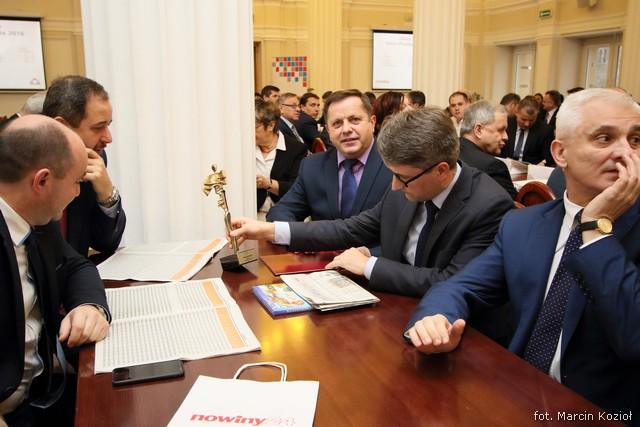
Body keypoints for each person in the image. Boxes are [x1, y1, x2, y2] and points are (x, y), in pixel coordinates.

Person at [406, 88, 640, 420]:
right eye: (604, 138)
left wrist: (595, 228)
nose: (626, 153)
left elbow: (634, 339)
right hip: (518, 396)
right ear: (560, 153)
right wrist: (436, 320)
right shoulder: (523, 224)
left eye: (636, 140)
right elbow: (459, 287)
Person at [232, 107, 513, 301]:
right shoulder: (410, 180)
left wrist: (369, 265)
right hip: (395, 301)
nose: (394, 187)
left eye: (402, 178)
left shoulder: (489, 207)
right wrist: (269, 230)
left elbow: (451, 281)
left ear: (441, 171)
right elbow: (350, 228)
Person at [0, 115, 110, 426]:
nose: (77, 193)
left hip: (42, 394)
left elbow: (75, 265)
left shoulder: (36, 217)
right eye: (76, 182)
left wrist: (89, 306)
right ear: (42, 181)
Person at [266, 89, 392, 222]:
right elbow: (282, 211)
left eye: (355, 120)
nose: (346, 129)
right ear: (328, 130)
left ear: (372, 123)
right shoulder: (313, 166)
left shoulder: (393, 165)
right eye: (337, 123)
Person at [42, 75, 125, 257]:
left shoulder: (93, 160)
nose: (108, 138)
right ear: (61, 127)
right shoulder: (25, 170)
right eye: (98, 127)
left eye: (108, 125)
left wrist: (107, 195)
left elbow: (105, 243)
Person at [255, 100, 308, 220]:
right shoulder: (245, 149)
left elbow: (297, 188)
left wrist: (268, 184)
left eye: (255, 127)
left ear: (271, 125)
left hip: (285, 214)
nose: (249, 132)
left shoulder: (295, 149)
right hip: (252, 212)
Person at [459, 101, 517, 198]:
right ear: (478, 130)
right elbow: (512, 205)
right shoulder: (493, 167)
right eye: (501, 130)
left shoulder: (449, 151)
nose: (506, 137)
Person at [500, 97, 550, 164]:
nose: (527, 124)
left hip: (531, 168)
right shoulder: (506, 124)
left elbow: (547, 157)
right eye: (523, 119)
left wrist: (543, 163)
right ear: (516, 112)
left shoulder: (545, 130)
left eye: (531, 120)